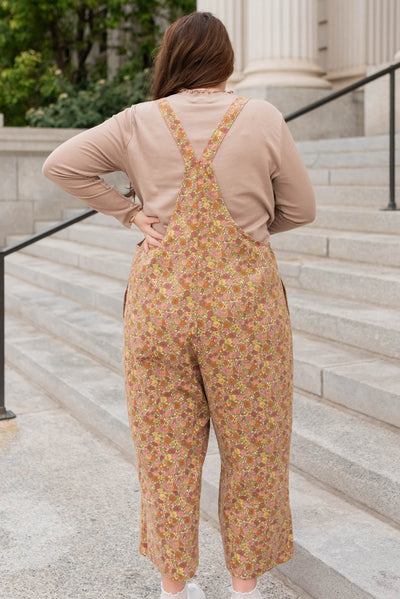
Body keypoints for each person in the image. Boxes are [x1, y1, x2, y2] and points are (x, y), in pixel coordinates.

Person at [42, 10, 316, 599]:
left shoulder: (138, 121)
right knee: (255, 448)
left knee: (166, 452)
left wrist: (130, 212)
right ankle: (245, 588)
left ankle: (174, 588)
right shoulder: (262, 116)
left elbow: (61, 164)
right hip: (246, 309)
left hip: (160, 306)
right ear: (226, 61)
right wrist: (254, 225)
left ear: (171, 58)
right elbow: (302, 210)